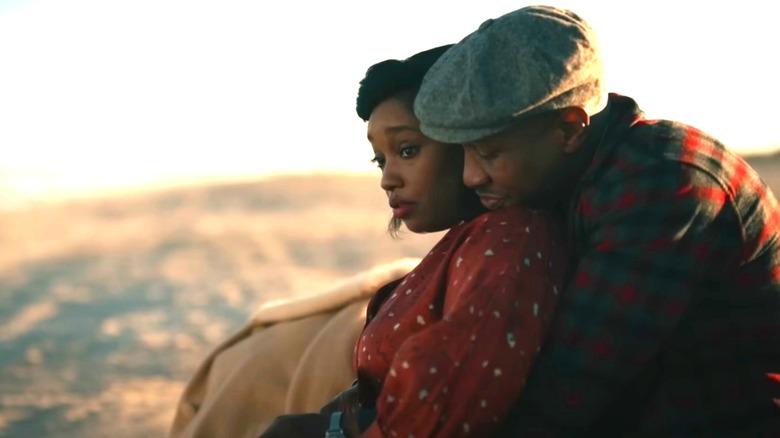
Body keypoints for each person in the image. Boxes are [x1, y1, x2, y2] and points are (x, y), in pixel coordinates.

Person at [413, 5, 780, 436]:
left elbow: (562, 394)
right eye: (462, 153)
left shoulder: (662, 181)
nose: (471, 176)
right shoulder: (562, 175)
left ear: (570, 128)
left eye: (489, 153)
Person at [259, 45, 568, 437]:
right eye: (380, 160)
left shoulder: (508, 240)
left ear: (465, 140)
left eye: (407, 149)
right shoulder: (468, 241)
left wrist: (330, 430)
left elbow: (451, 410)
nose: (388, 179)